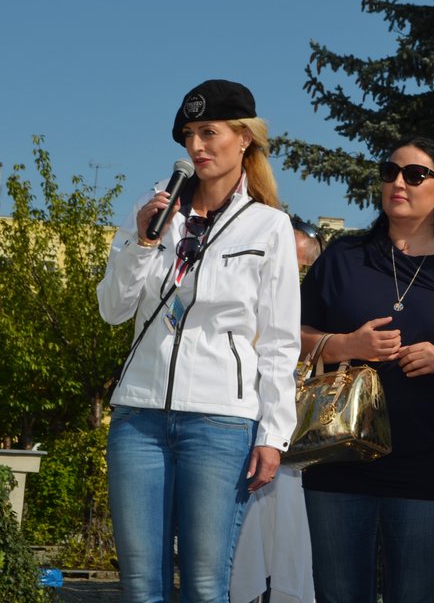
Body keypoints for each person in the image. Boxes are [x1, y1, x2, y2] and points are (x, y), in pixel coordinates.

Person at [97, 79, 301, 602]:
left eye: (209, 132)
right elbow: (113, 309)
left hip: (220, 421)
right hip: (137, 416)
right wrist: (141, 242)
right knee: (142, 587)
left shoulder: (269, 226)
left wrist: (273, 434)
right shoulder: (153, 209)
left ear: (244, 139)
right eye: (188, 135)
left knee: (207, 586)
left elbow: (279, 341)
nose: (196, 147)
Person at [298, 136, 434, 602]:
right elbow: (289, 336)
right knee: (338, 595)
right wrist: (344, 344)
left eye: (415, 175)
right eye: (390, 172)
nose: (398, 182)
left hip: (427, 462)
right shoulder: (343, 258)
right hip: (338, 456)